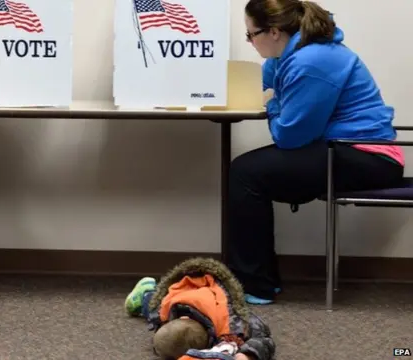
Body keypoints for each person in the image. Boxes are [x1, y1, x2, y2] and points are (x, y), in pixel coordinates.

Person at [227, 0, 405, 305]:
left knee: (246, 173)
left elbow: (290, 136)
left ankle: (257, 285)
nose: (250, 42)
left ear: (272, 32)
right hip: (344, 149)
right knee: (248, 170)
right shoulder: (290, 54)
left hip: (370, 157)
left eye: (250, 35)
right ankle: (258, 280)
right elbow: (262, 80)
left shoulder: (312, 60)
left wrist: (271, 105)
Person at [124, 257, 275, 360]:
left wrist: (248, 354)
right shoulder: (166, 309)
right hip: (179, 289)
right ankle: (147, 292)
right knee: (155, 309)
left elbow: (264, 337)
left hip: (216, 288)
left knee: (152, 307)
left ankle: (146, 293)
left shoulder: (232, 321)